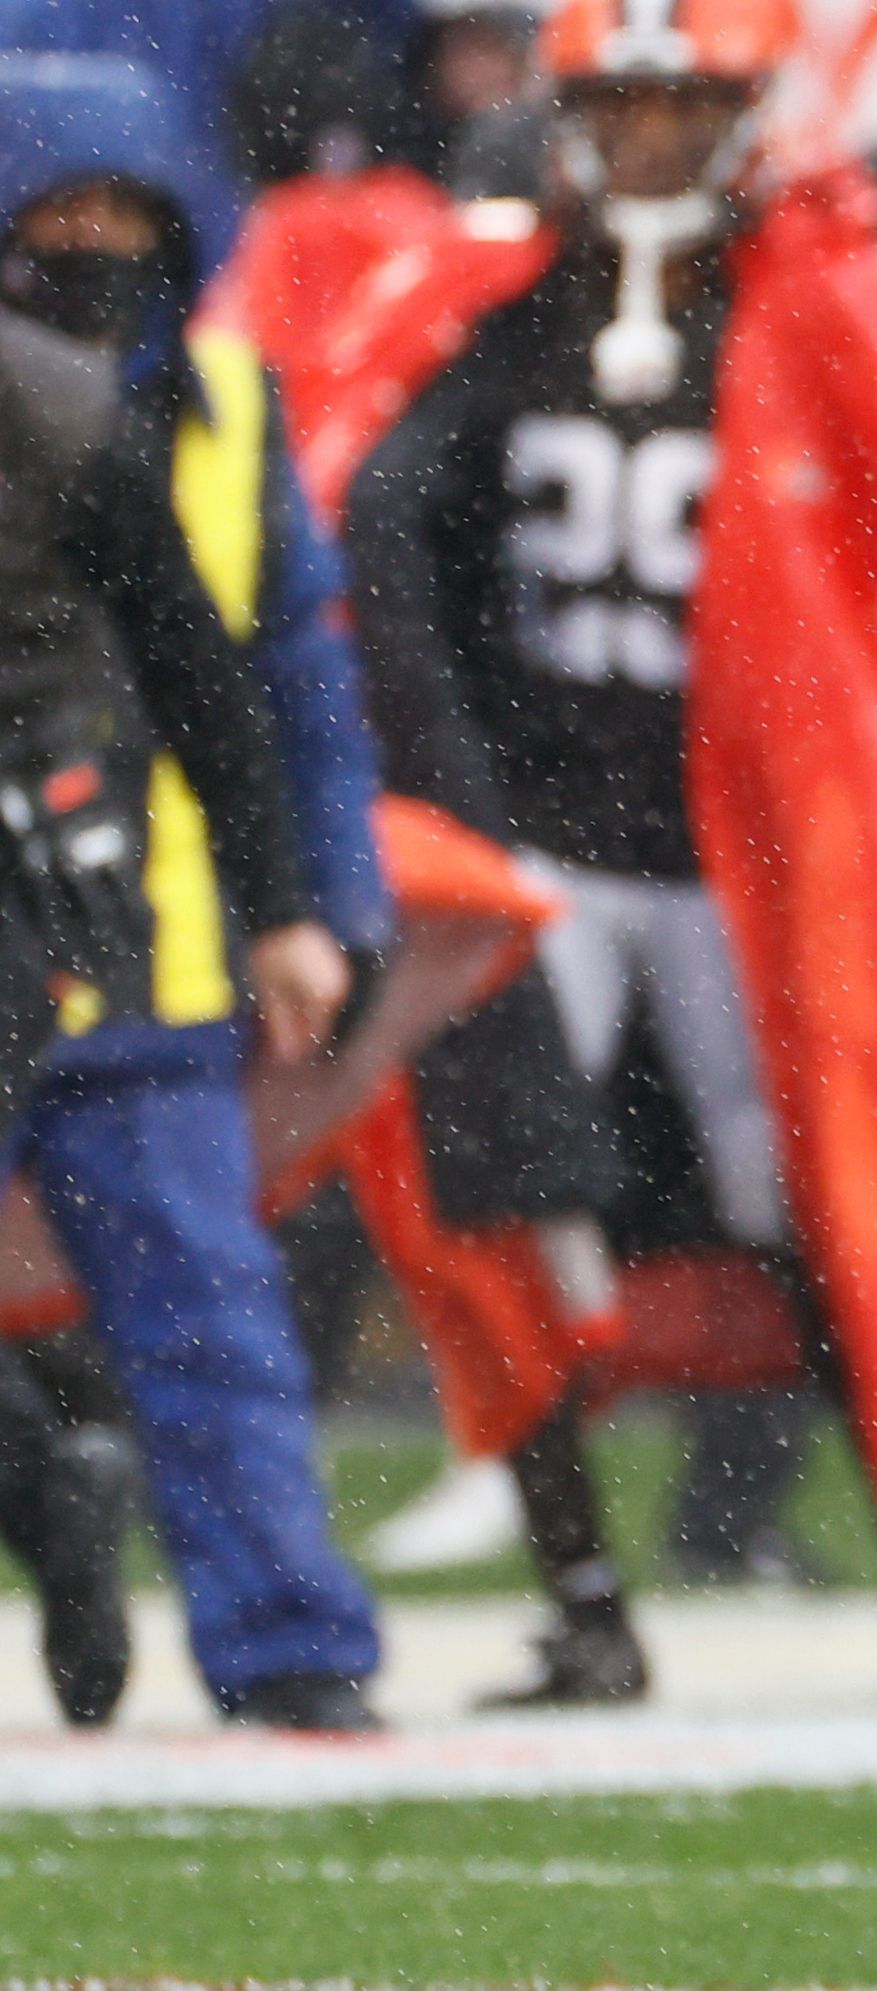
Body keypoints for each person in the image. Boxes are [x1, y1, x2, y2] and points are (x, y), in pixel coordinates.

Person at [348, 0, 877, 1707]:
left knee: (838, 1219)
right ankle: (587, 1602)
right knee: (508, 1221)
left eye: (688, 112)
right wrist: (458, 802)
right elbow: (383, 530)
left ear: (748, 121)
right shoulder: (501, 330)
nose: (652, 151)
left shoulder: (799, 319)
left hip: (749, 856)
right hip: (553, 856)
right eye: (626, 113)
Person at [0, 63, 367, 1731]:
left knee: (208, 1312)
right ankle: (59, 1508)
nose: (90, 252)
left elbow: (247, 678)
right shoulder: (85, 402)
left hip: (126, 925)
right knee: (203, 1308)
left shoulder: (153, 406)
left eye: (119, 224)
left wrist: (303, 900)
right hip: (88, 891)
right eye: (55, 221)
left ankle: (287, 1644)